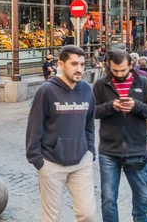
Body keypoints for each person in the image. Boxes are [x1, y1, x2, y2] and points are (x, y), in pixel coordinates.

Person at [26, 45, 97, 222]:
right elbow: (34, 126)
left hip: (81, 162)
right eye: (74, 64)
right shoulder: (47, 91)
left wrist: (90, 152)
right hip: (51, 163)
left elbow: (89, 124)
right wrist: (38, 160)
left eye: (82, 64)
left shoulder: (87, 90)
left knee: (87, 214)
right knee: (51, 218)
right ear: (61, 64)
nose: (79, 69)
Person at [93, 50, 147, 222]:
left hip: (136, 150)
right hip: (109, 151)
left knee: (140, 198)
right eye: (115, 71)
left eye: (123, 71)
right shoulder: (101, 84)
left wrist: (136, 106)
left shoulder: (144, 83)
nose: (119, 74)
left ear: (131, 66)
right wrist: (111, 106)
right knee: (108, 199)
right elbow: (91, 111)